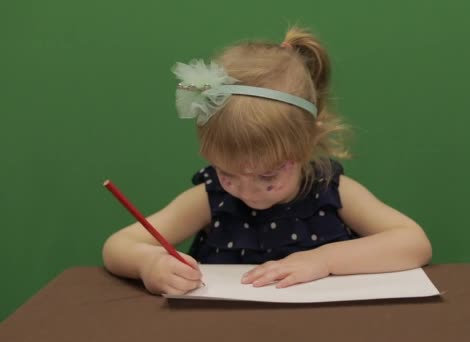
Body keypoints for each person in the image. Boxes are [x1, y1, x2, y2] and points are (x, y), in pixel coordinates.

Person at [102, 26, 432, 295]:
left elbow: (414, 242)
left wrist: (324, 259)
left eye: (269, 177)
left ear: (306, 146)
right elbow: (119, 246)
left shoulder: (329, 190)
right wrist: (149, 264)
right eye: (228, 174)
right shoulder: (212, 197)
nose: (248, 192)